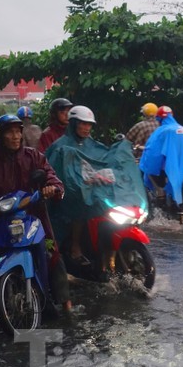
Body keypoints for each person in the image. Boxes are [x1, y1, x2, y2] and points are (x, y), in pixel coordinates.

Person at [0, 114, 71, 322]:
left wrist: (52, 188)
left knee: (52, 253)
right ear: (0, 136)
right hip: (0, 220)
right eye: (10, 132)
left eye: (18, 131)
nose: (16, 136)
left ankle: (65, 301)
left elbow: (51, 177)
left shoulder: (34, 157)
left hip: (34, 216)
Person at [45, 105, 110, 267]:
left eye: (89, 124)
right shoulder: (61, 146)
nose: (87, 128)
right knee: (78, 210)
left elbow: (103, 161)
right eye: (83, 124)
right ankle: (75, 248)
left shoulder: (93, 145)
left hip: (91, 190)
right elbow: (55, 173)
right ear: (73, 124)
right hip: (68, 195)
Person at [139, 105, 183, 208]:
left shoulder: (162, 130)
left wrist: (146, 162)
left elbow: (152, 150)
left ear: (159, 118)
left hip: (165, 167)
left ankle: (161, 195)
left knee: (148, 170)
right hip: (181, 166)